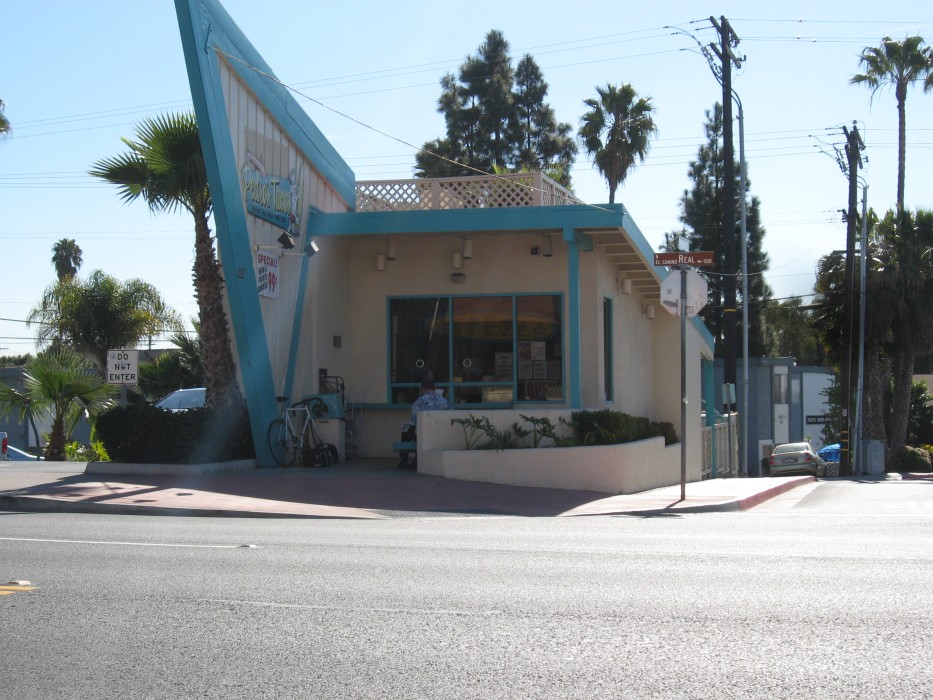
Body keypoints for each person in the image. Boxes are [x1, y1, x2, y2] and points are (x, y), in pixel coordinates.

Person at [398, 378, 450, 469]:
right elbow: (450, 413)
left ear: (422, 389)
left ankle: (404, 459)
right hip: (440, 431)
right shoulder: (444, 401)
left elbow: (414, 417)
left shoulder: (420, 400)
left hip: (423, 432)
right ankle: (415, 459)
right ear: (434, 388)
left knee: (406, 429)